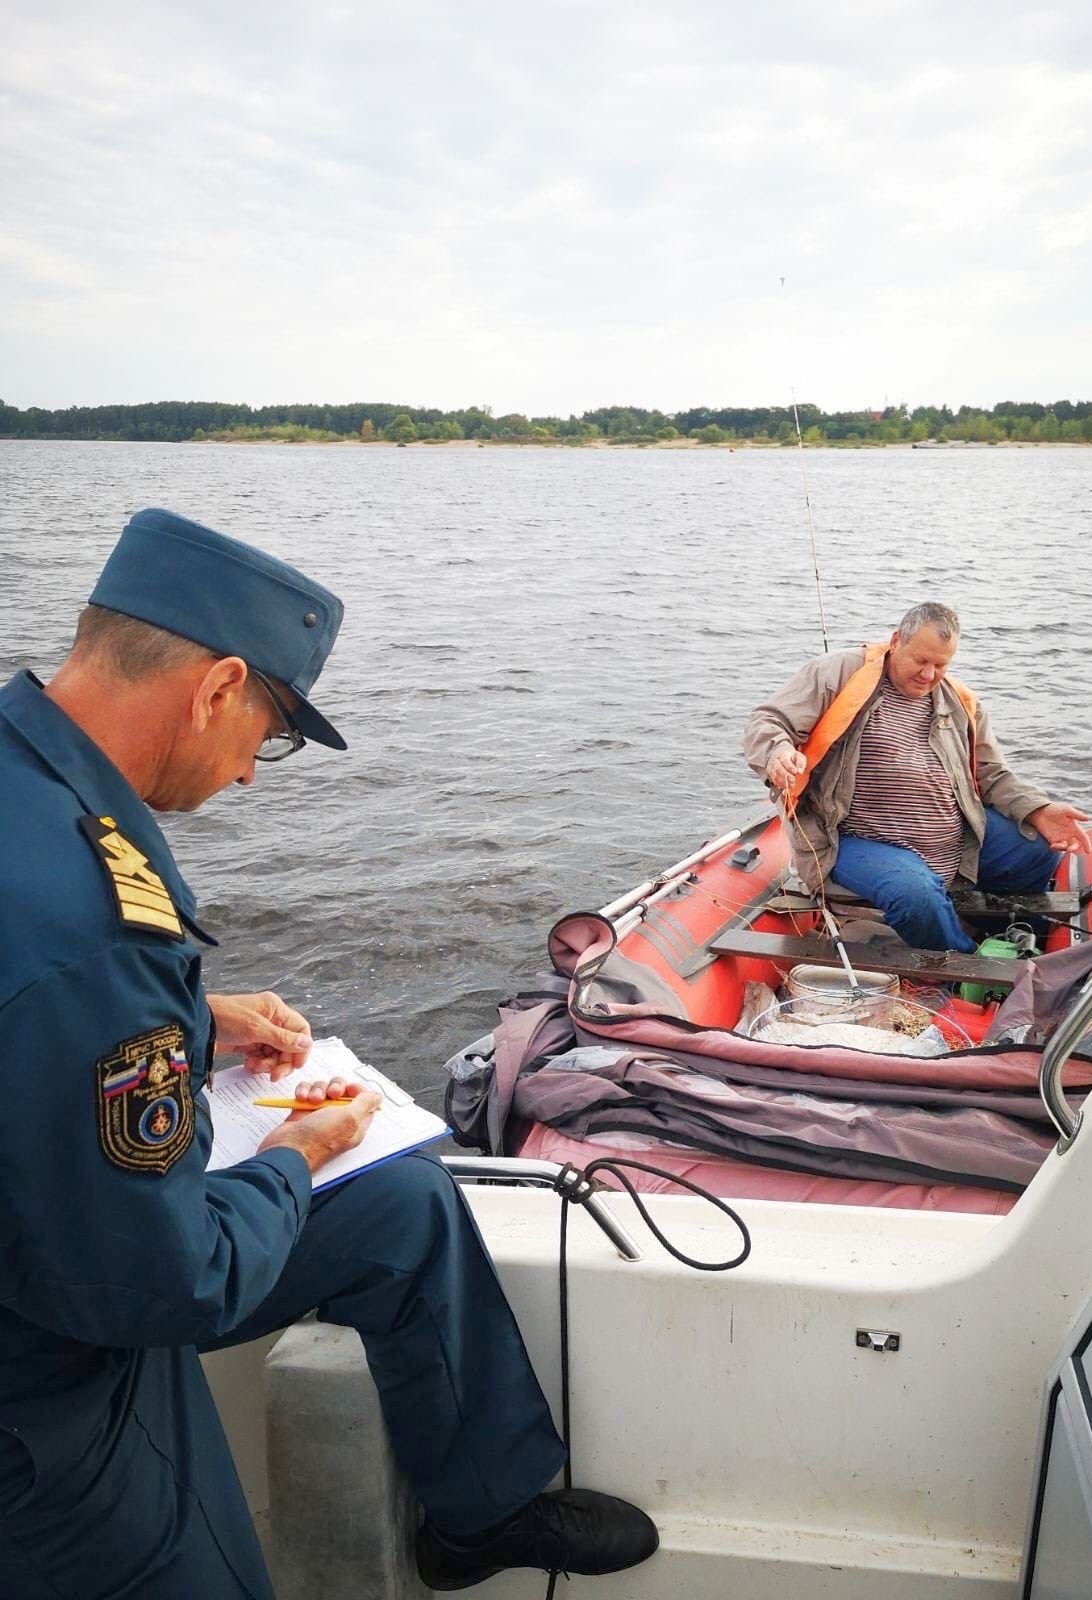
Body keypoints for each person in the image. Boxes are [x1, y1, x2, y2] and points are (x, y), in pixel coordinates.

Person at [0, 507, 657, 1598]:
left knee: (402, 1208)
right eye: (266, 737)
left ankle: (479, 1509)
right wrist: (299, 1151)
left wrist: (195, 1025)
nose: (251, 774)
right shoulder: (91, 915)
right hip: (56, 1375)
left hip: (55, 1233)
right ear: (215, 688)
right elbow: (174, 1282)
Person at [742, 602, 1091, 953]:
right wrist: (778, 754)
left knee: (1038, 848)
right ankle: (965, 961)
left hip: (951, 837)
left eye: (941, 664)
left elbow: (991, 773)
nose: (929, 674)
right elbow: (768, 722)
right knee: (913, 893)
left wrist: (1038, 809)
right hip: (855, 838)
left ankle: (1004, 929)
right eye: (920, 661)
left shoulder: (960, 701)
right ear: (896, 641)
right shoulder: (840, 673)